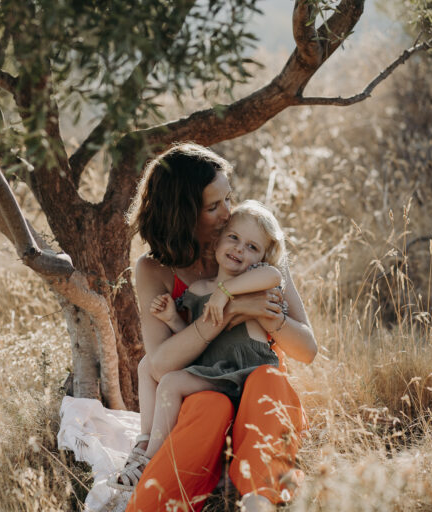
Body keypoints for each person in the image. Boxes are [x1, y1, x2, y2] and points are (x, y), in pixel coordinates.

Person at [125, 143, 317, 512]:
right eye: (213, 207)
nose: (227, 213)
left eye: (228, 198)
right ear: (182, 215)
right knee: (208, 406)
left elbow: (306, 349)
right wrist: (233, 310)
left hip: (257, 396)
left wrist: (270, 317)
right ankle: (157, 501)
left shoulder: (252, 245)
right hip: (203, 396)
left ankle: (260, 499)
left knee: (269, 381)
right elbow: (162, 365)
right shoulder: (154, 270)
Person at [108, 201, 287, 491]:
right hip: (213, 369)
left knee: (171, 383)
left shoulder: (254, 283)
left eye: (252, 247)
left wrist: (226, 292)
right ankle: (144, 442)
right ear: (215, 242)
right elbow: (194, 336)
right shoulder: (197, 291)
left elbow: (275, 275)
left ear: (262, 258)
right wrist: (171, 318)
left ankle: (149, 461)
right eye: (234, 238)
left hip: (244, 375)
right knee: (146, 366)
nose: (240, 249)